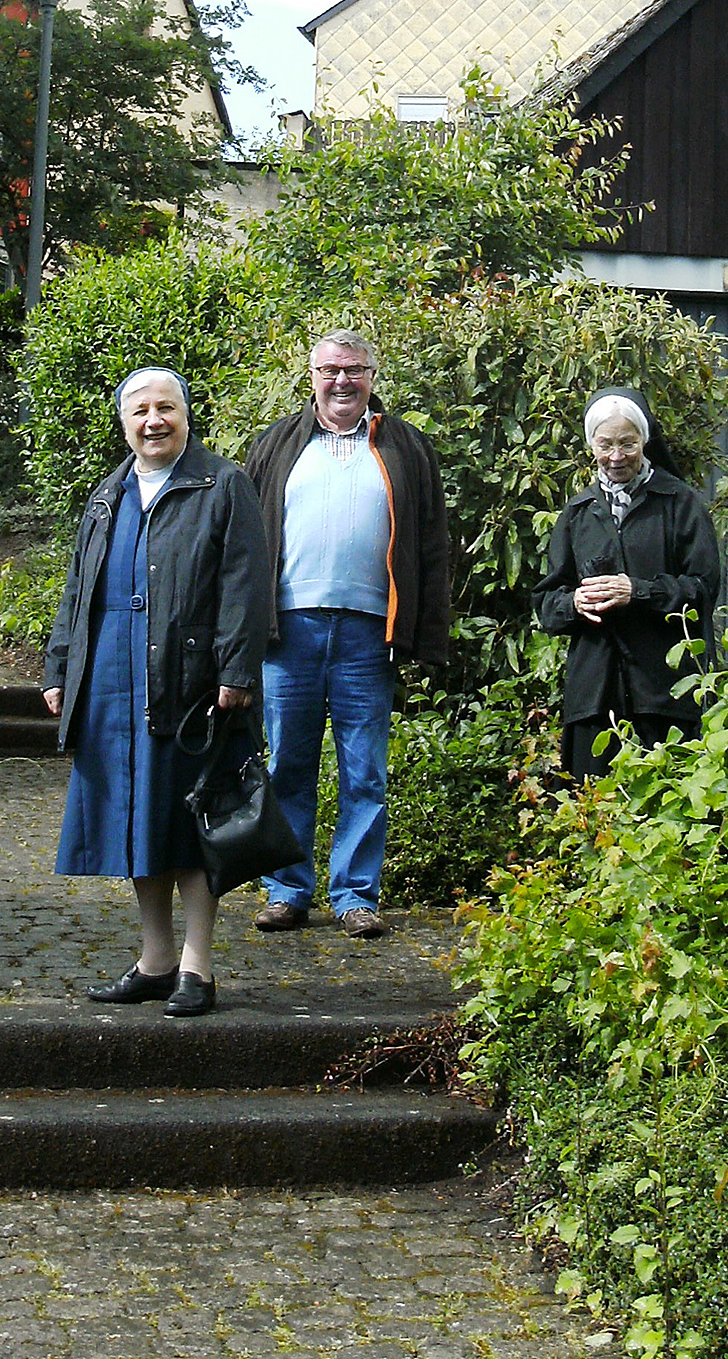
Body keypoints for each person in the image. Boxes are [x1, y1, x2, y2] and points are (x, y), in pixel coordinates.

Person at [42, 366, 272, 1016]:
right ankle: (155, 960)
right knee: (136, 822)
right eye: (140, 410)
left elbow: (246, 588)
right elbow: (78, 592)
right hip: (112, 682)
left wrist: (236, 671)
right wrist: (61, 668)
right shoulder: (106, 494)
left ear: (186, 414)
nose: (153, 421)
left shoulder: (222, 485)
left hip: (190, 682)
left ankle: (197, 967)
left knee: (192, 823)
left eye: (165, 407)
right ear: (124, 423)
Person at [243, 328, 451, 939]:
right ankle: (286, 890)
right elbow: (246, 541)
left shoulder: (406, 446)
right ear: (310, 376)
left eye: (354, 370)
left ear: (372, 377)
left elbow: (433, 544)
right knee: (288, 765)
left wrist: (428, 632)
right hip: (289, 632)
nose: (342, 381)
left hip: (368, 634)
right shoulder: (277, 444)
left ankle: (356, 895)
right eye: (330, 370)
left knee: (366, 772)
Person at [535, 385, 719, 778]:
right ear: (591, 446)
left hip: (664, 696)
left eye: (627, 444)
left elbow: (703, 588)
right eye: (605, 445)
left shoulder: (679, 503)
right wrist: (575, 604)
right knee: (594, 819)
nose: (616, 457)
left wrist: (637, 592)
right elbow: (547, 603)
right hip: (594, 700)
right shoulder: (579, 512)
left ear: (644, 441)